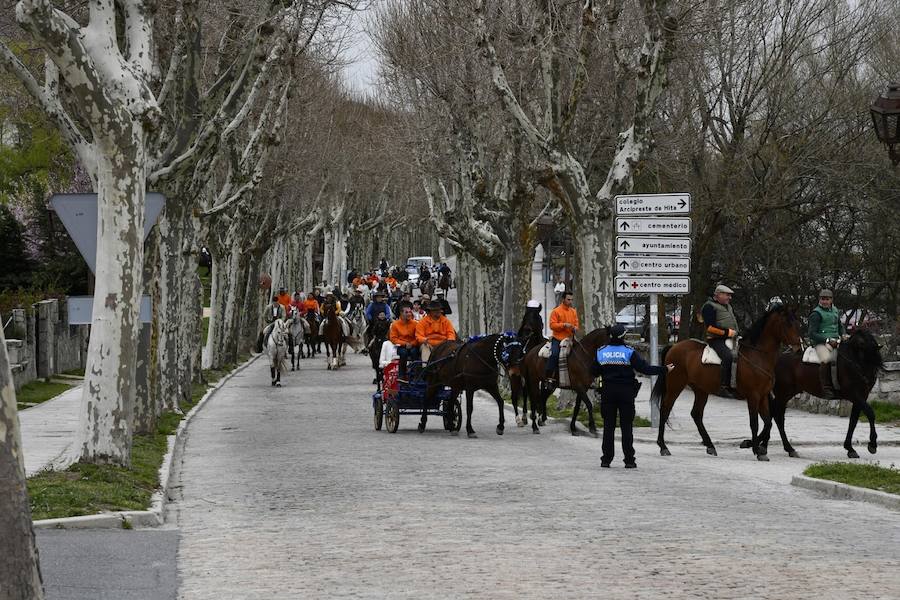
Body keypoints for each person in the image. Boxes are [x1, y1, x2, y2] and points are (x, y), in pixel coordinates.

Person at [594, 324, 673, 469]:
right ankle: (629, 460)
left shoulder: (601, 351)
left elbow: (593, 371)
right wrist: (664, 369)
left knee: (608, 427)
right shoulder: (629, 352)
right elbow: (645, 369)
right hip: (626, 393)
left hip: (607, 392)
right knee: (626, 427)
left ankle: (606, 459)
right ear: (623, 336)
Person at [701, 284, 739, 396]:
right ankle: (723, 386)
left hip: (733, 338)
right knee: (728, 357)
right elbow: (710, 328)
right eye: (727, 295)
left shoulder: (728, 306)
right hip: (716, 340)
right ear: (719, 295)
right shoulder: (709, 306)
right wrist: (727, 333)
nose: (730, 298)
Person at [808, 289, 847, 395]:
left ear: (831, 300)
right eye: (822, 299)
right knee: (826, 359)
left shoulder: (835, 310)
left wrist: (843, 334)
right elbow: (811, 334)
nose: (825, 301)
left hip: (836, 340)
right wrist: (827, 340)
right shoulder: (816, 314)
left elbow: (840, 325)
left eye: (827, 299)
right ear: (819, 300)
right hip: (821, 343)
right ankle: (825, 387)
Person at [546, 291, 578, 383]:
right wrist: (564, 325)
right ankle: (549, 376)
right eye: (568, 299)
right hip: (558, 339)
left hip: (570, 339)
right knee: (555, 354)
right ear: (563, 299)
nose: (570, 302)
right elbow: (552, 325)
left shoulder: (573, 311)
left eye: (571, 300)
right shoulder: (556, 311)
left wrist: (575, 328)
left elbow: (576, 325)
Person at [390, 302, 421, 379]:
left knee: (414, 352)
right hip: (402, 346)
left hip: (413, 345)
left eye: (410, 312)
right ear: (401, 313)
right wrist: (405, 344)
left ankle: (416, 374)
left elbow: (418, 336)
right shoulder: (395, 324)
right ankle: (402, 375)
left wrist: (412, 343)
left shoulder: (415, 324)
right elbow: (393, 338)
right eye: (406, 312)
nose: (409, 314)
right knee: (403, 353)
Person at [368, 309, 391, 384]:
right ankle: (367, 349)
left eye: (383, 315)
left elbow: (390, 330)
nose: (382, 316)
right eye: (380, 315)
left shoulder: (388, 322)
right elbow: (373, 331)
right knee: (370, 345)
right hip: (377, 338)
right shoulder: (376, 322)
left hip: (386, 338)